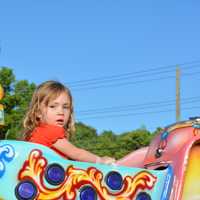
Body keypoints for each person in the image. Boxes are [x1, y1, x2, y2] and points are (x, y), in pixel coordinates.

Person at [23, 80, 148, 167]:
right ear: (38, 112)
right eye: (53, 106)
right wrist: (100, 160)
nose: (60, 112)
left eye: (65, 107)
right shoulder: (50, 131)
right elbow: (76, 153)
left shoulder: (35, 133)